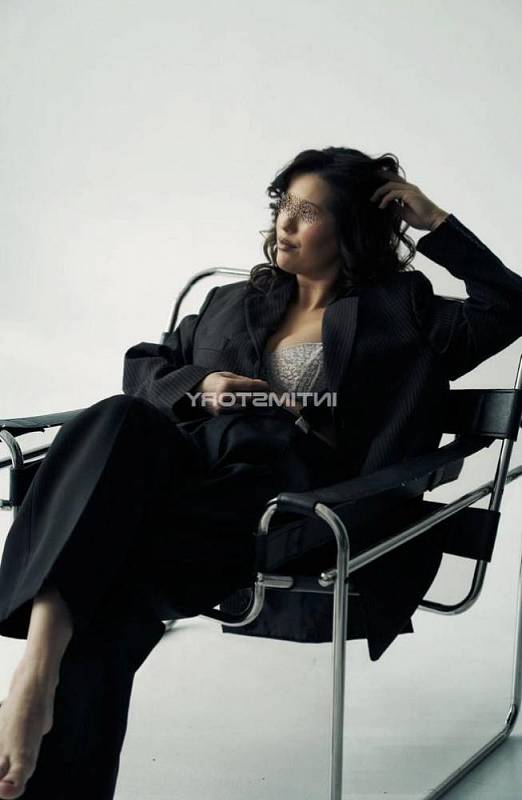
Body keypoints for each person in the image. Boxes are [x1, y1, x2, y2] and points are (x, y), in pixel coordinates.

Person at [1, 146, 521, 800]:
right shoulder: (230, 300)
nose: (285, 224)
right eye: (283, 206)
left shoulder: (403, 309)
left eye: (308, 213)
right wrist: (202, 385)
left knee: (110, 581)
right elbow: (143, 368)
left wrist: (436, 222)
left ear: (351, 229)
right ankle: (38, 672)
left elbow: (509, 307)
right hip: (186, 484)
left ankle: (34, 682)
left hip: (293, 505)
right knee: (117, 418)